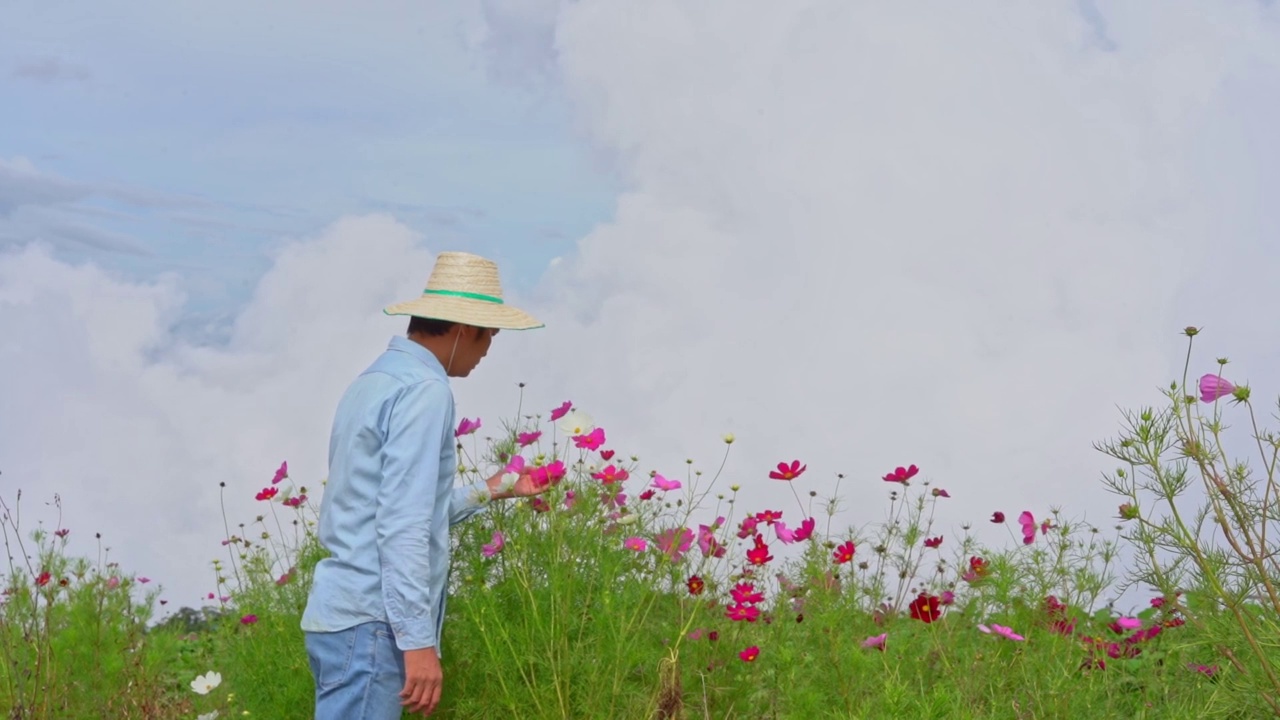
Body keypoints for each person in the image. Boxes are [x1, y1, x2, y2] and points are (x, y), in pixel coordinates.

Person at [301, 251, 551, 719]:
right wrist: (417, 643)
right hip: (375, 624)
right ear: (462, 330)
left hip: (341, 618)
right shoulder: (425, 390)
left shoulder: (374, 380)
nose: (487, 351)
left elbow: (387, 505)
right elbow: (402, 523)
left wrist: (494, 489)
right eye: (489, 336)